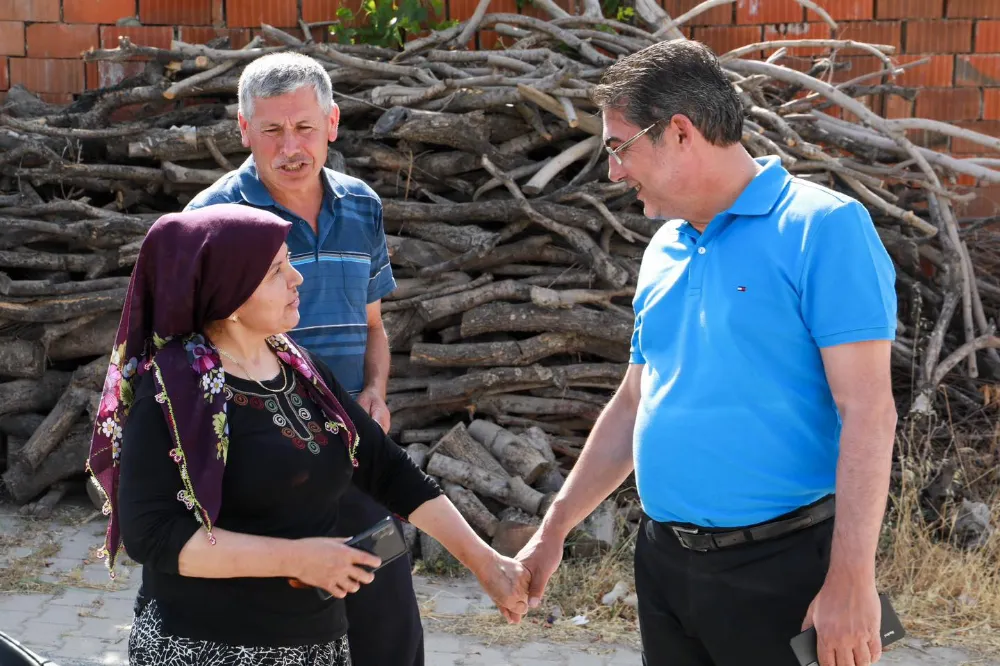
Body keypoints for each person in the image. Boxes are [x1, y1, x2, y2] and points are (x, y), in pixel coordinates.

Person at [514, 39, 899, 666]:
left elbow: (869, 411)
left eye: (619, 147)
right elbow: (635, 402)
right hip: (664, 566)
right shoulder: (663, 248)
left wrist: (853, 581)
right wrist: (553, 529)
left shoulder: (824, 227)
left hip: (784, 571)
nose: (614, 172)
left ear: (680, 131)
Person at [86, 204, 529, 665]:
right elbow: (152, 535)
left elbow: (386, 468)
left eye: (290, 262)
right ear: (229, 295)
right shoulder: (173, 388)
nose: (296, 278)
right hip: (206, 648)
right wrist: (296, 559)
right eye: (276, 271)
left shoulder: (299, 368)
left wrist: (486, 564)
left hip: (315, 645)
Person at [183, 53, 426, 665]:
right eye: (271, 130)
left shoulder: (362, 206)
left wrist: (375, 392)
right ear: (244, 130)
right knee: (284, 641)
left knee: (388, 636)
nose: (290, 147)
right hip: (260, 476)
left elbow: (374, 327)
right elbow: (191, 358)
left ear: (332, 124)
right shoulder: (213, 219)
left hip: (354, 462)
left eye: (304, 127)